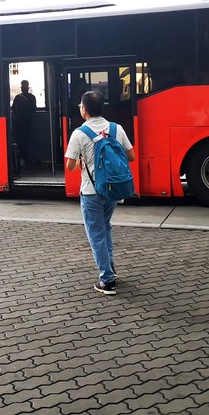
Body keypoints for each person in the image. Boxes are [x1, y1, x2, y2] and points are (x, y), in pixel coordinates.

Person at [65, 91, 135, 295]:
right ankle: (110, 268)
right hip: (113, 189)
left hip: (91, 191)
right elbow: (130, 156)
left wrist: (81, 161)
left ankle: (107, 279)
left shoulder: (79, 133)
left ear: (84, 109)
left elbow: (70, 166)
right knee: (105, 228)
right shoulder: (116, 128)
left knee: (96, 233)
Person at [11, 79, 36, 164]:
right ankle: (19, 158)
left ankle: (25, 158)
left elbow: (33, 109)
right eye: (22, 86)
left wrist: (26, 102)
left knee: (26, 141)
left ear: (28, 88)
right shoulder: (18, 97)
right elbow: (13, 108)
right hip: (18, 123)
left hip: (27, 123)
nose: (23, 88)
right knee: (18, 141)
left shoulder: (31, 98)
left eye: (24, 86)